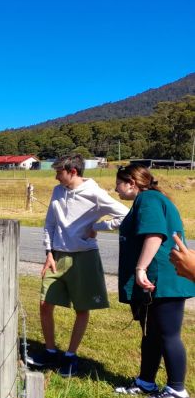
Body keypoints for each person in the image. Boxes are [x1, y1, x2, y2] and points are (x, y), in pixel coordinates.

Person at [30, 154, 129, 377]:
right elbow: (50, 224)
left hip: (85, 256)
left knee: (81, 308)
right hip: (57, 256)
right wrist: (49, 252)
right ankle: (50, 351)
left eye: (59, 172)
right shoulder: (58, 191)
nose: (56, 177)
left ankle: (71, 356)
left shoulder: (94, 193)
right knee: (45, 303)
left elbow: (126, 214)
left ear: (72, 171)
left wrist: (98, 227)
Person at [112, 164, 194, 398]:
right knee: (151, 334)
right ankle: (146, 381)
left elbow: (155, 234)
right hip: (155, 278)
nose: (115, 188)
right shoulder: (148, 200)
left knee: (168, 334)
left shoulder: (148, 199)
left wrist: (140, 268)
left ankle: (177, 391)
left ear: (131, 184)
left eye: (118, 183)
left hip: (163, 278)